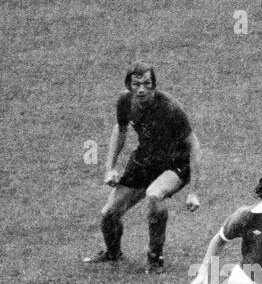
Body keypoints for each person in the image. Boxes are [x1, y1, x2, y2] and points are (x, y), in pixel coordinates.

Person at [82, 62, 203, 273]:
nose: (141, 89)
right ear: (129, 86)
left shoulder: (169, 108)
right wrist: (109, 168)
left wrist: (193, 192)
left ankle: (155, 259)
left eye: (147, 84)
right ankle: (113, 254)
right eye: (136, 84)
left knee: (154, 195)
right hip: (145, 161)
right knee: (109, 214)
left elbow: (194, 146)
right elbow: (119, 130)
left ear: (154, 86)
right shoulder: (125, 101)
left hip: (175, 164)